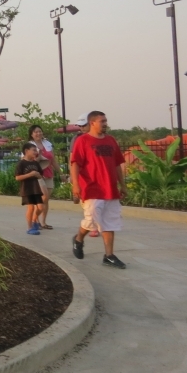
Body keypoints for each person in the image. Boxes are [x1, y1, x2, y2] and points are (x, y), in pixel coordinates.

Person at [70, 110, 127, 269]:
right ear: (92, 123)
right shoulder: (83, 141)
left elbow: (117, 164)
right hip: (92, 188)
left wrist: (122, 185)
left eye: (106, 120)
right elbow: (75, 164)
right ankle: (79, 238)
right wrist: (76, 185)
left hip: (110, 189)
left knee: (110, 223)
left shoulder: (111, 140)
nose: (105, 123)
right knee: (92, 221)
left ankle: (109, 256)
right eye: (102, 121)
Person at [28, 125, 56, 229]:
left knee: (46, 199)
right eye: (36, 132)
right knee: (42, 198)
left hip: (48, 173)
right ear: (31, 134)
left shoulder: (47, 144)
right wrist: (38, 157)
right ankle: (35, 219)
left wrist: (60, 172)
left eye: (40, 131)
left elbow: (53, 159)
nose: (38, 133)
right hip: (36, 174)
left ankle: (43, 222)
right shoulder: (29, 146)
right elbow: (27, 161)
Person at [15, 143, 45, 235]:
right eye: (34, 150)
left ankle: (34, 220)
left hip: (36, 188)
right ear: (26, 151)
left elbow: (40, 175)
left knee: (40, 207)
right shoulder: (21, 163)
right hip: (27, 189)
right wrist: (30, 174)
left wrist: (38, 175)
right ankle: (29, 227)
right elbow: (17, 177)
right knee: (31, 208)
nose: (36, 152)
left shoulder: (35, 163)